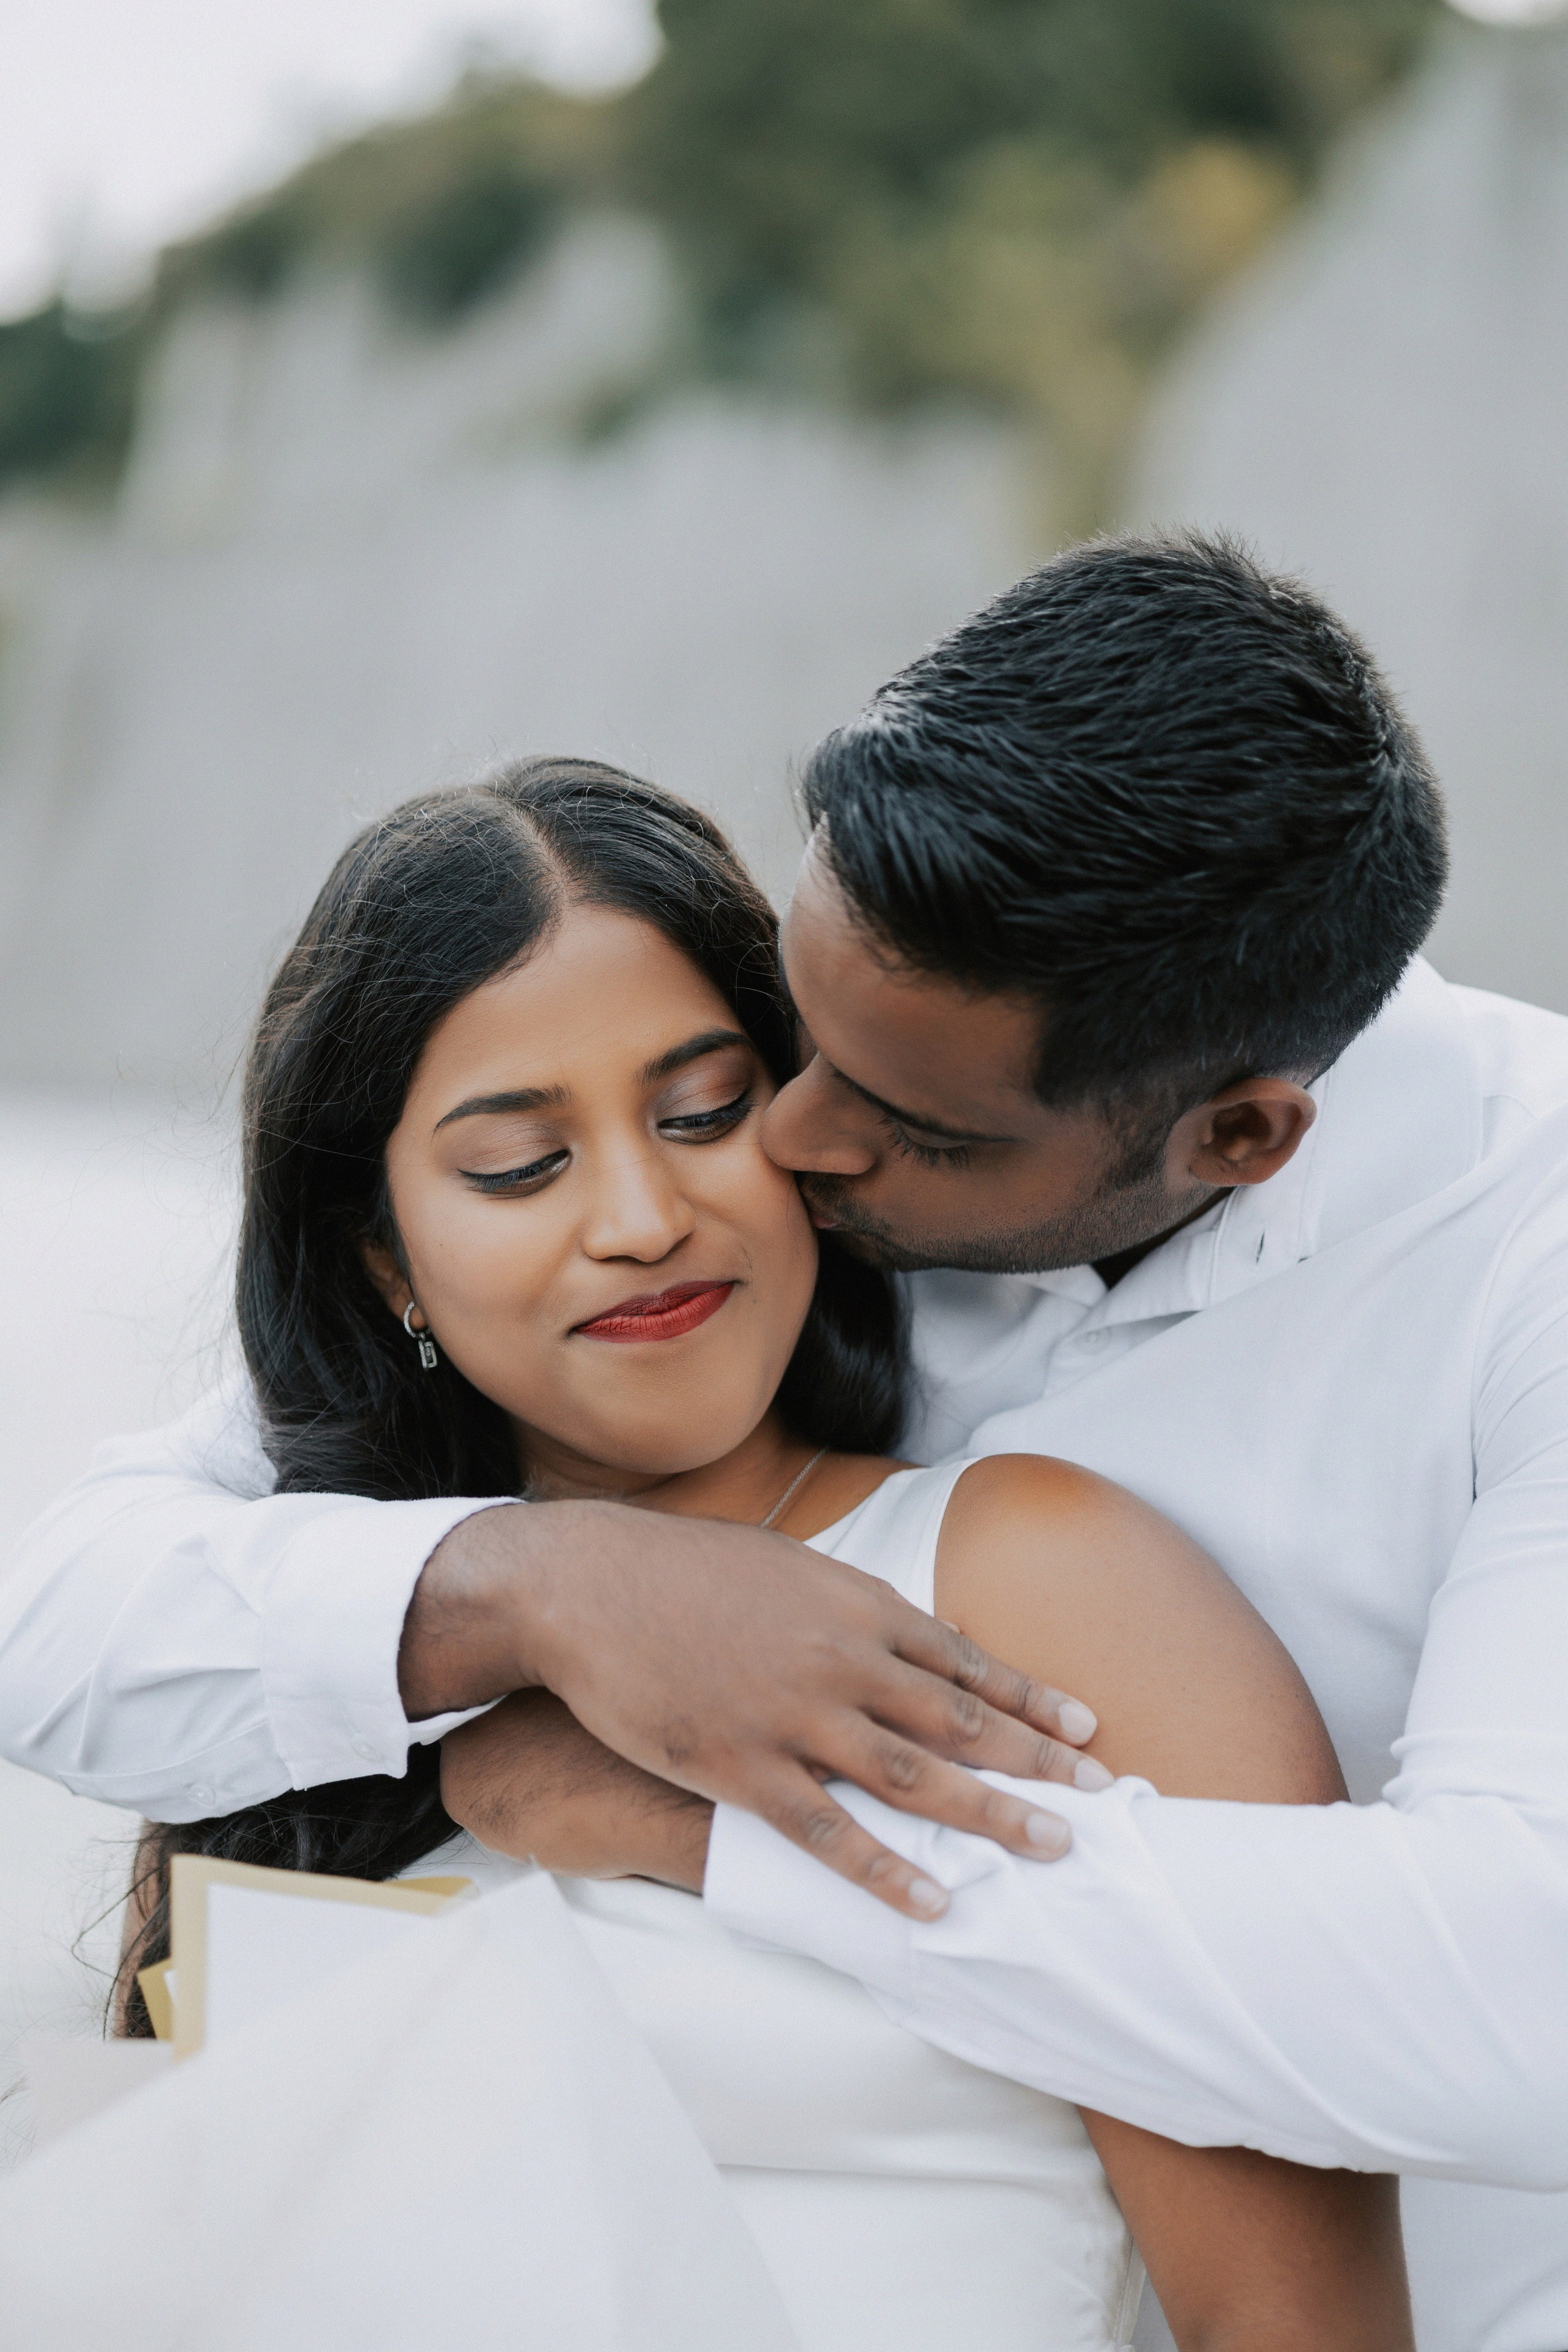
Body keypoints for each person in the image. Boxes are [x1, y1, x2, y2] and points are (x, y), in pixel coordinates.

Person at [3, 532, 1567, 2343]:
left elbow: (1519, 2001)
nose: (788, 1148)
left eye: (751, 1109)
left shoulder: (1504, 1268)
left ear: (1235, 1140)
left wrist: (700, 1821)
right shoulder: (690, 1278)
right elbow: (82, 1599)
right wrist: (545, 1589)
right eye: (784, 1050)